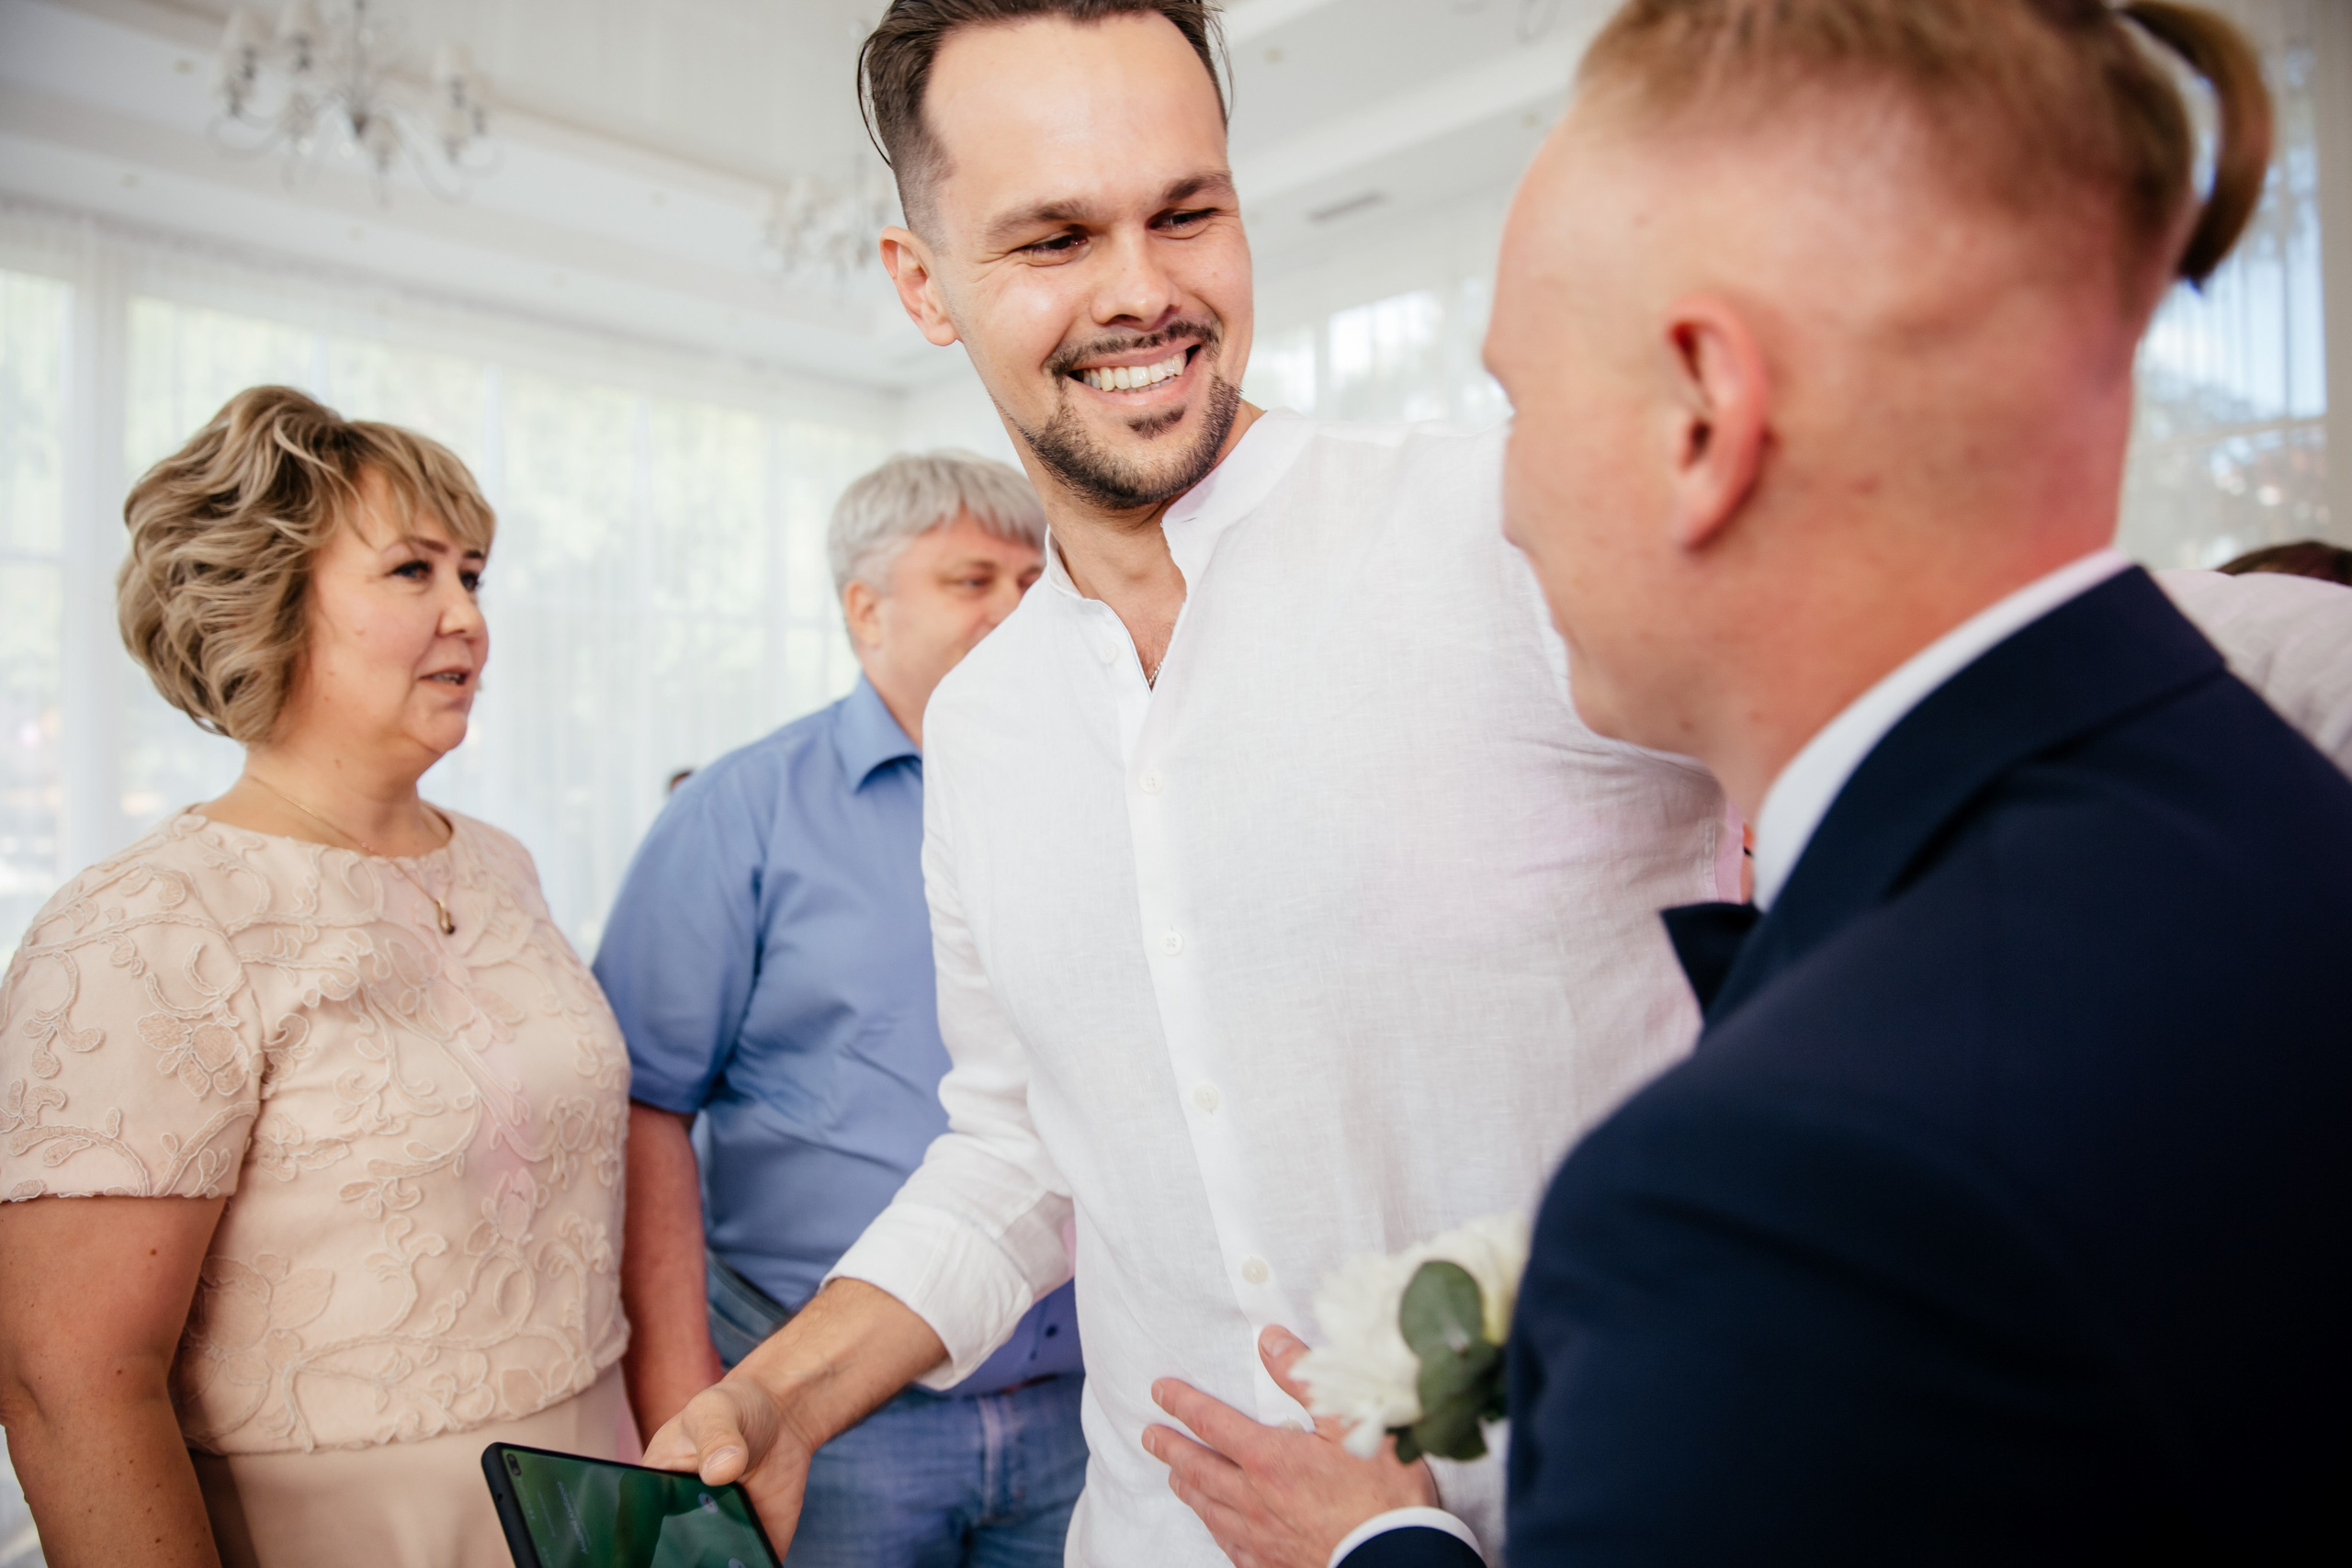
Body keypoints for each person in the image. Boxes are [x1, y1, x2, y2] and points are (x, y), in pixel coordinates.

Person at [1155, 0, 2352, 1561]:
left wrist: (1381, 1548)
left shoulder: (1761, 1195)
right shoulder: (2284, 825)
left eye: (1522, 406)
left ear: (1706, 414)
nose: (1507, 506)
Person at [645, 2, 1736, 1562]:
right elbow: (1019, 1142)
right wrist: (790, 1393)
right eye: (1054, 238)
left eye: (1186, 212)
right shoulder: (987, 722)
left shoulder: (1502, 531)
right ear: (921, 282)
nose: (1144, 292)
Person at [0, 386, 633, 1568]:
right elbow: (65, 1378)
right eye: (413, 573)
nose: (469, 618)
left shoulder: (503, 868)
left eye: (475, 576)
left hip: (591, 1497)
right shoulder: (147, 921)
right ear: (270, 598)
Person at [594, 451, 1080, 1566]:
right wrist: (695, 1402)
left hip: (1073, 1406)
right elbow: (643, 1109)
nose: (1016, 608)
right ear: (866, 610)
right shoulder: (738, 813)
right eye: (973, 581)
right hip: (834, 1417)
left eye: (1032, 579)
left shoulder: (1095, 798)